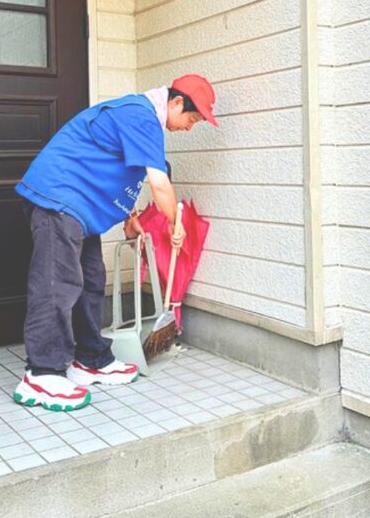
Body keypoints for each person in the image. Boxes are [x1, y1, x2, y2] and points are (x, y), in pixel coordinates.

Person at [12, 74, 217, 411]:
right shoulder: (141, 116)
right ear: (176, 102)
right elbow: (159, 184)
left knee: (91, 280)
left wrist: (129, 217)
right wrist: (175, 223)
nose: (189, 127)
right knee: (56, 284)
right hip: (58, 197)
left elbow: (117, 168)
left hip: (80, 207)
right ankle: (41, 374)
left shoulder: (142, 120)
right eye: (192, 119)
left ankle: (90, 358)